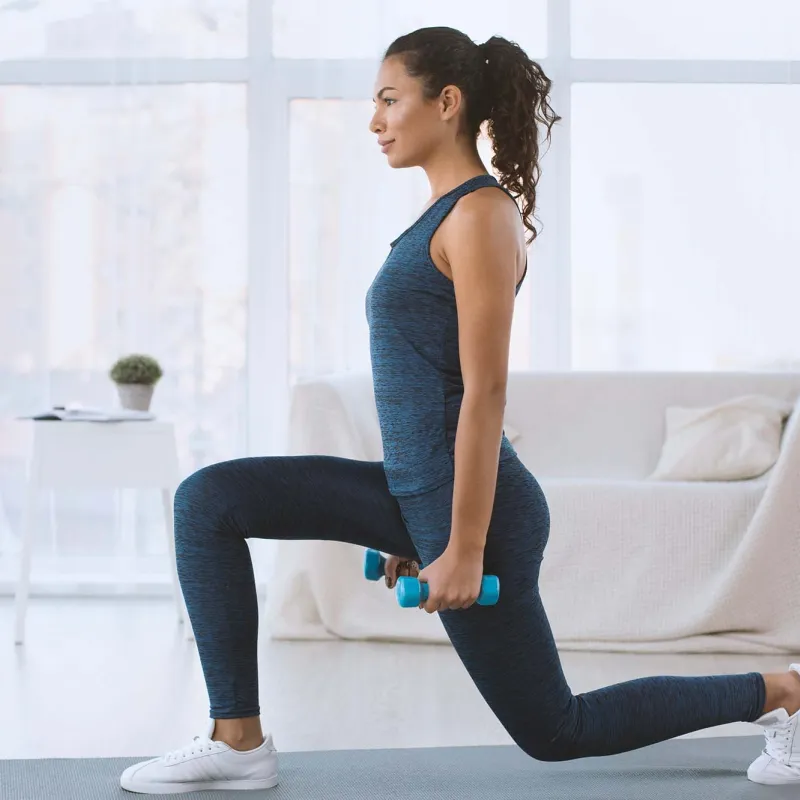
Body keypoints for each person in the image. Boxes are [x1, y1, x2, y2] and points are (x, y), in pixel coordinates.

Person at [120, 26, 800, 794]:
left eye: (388, 99)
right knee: (208, 500)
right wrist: (417, 524)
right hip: (420, 493)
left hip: (476, 512)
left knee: (556, 730)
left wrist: (463, 545)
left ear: (446, 103)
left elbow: (485, 393)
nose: (374, 120)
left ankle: (784, 694)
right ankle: (237, 740)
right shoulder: (439, 216)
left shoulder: (479, 216)